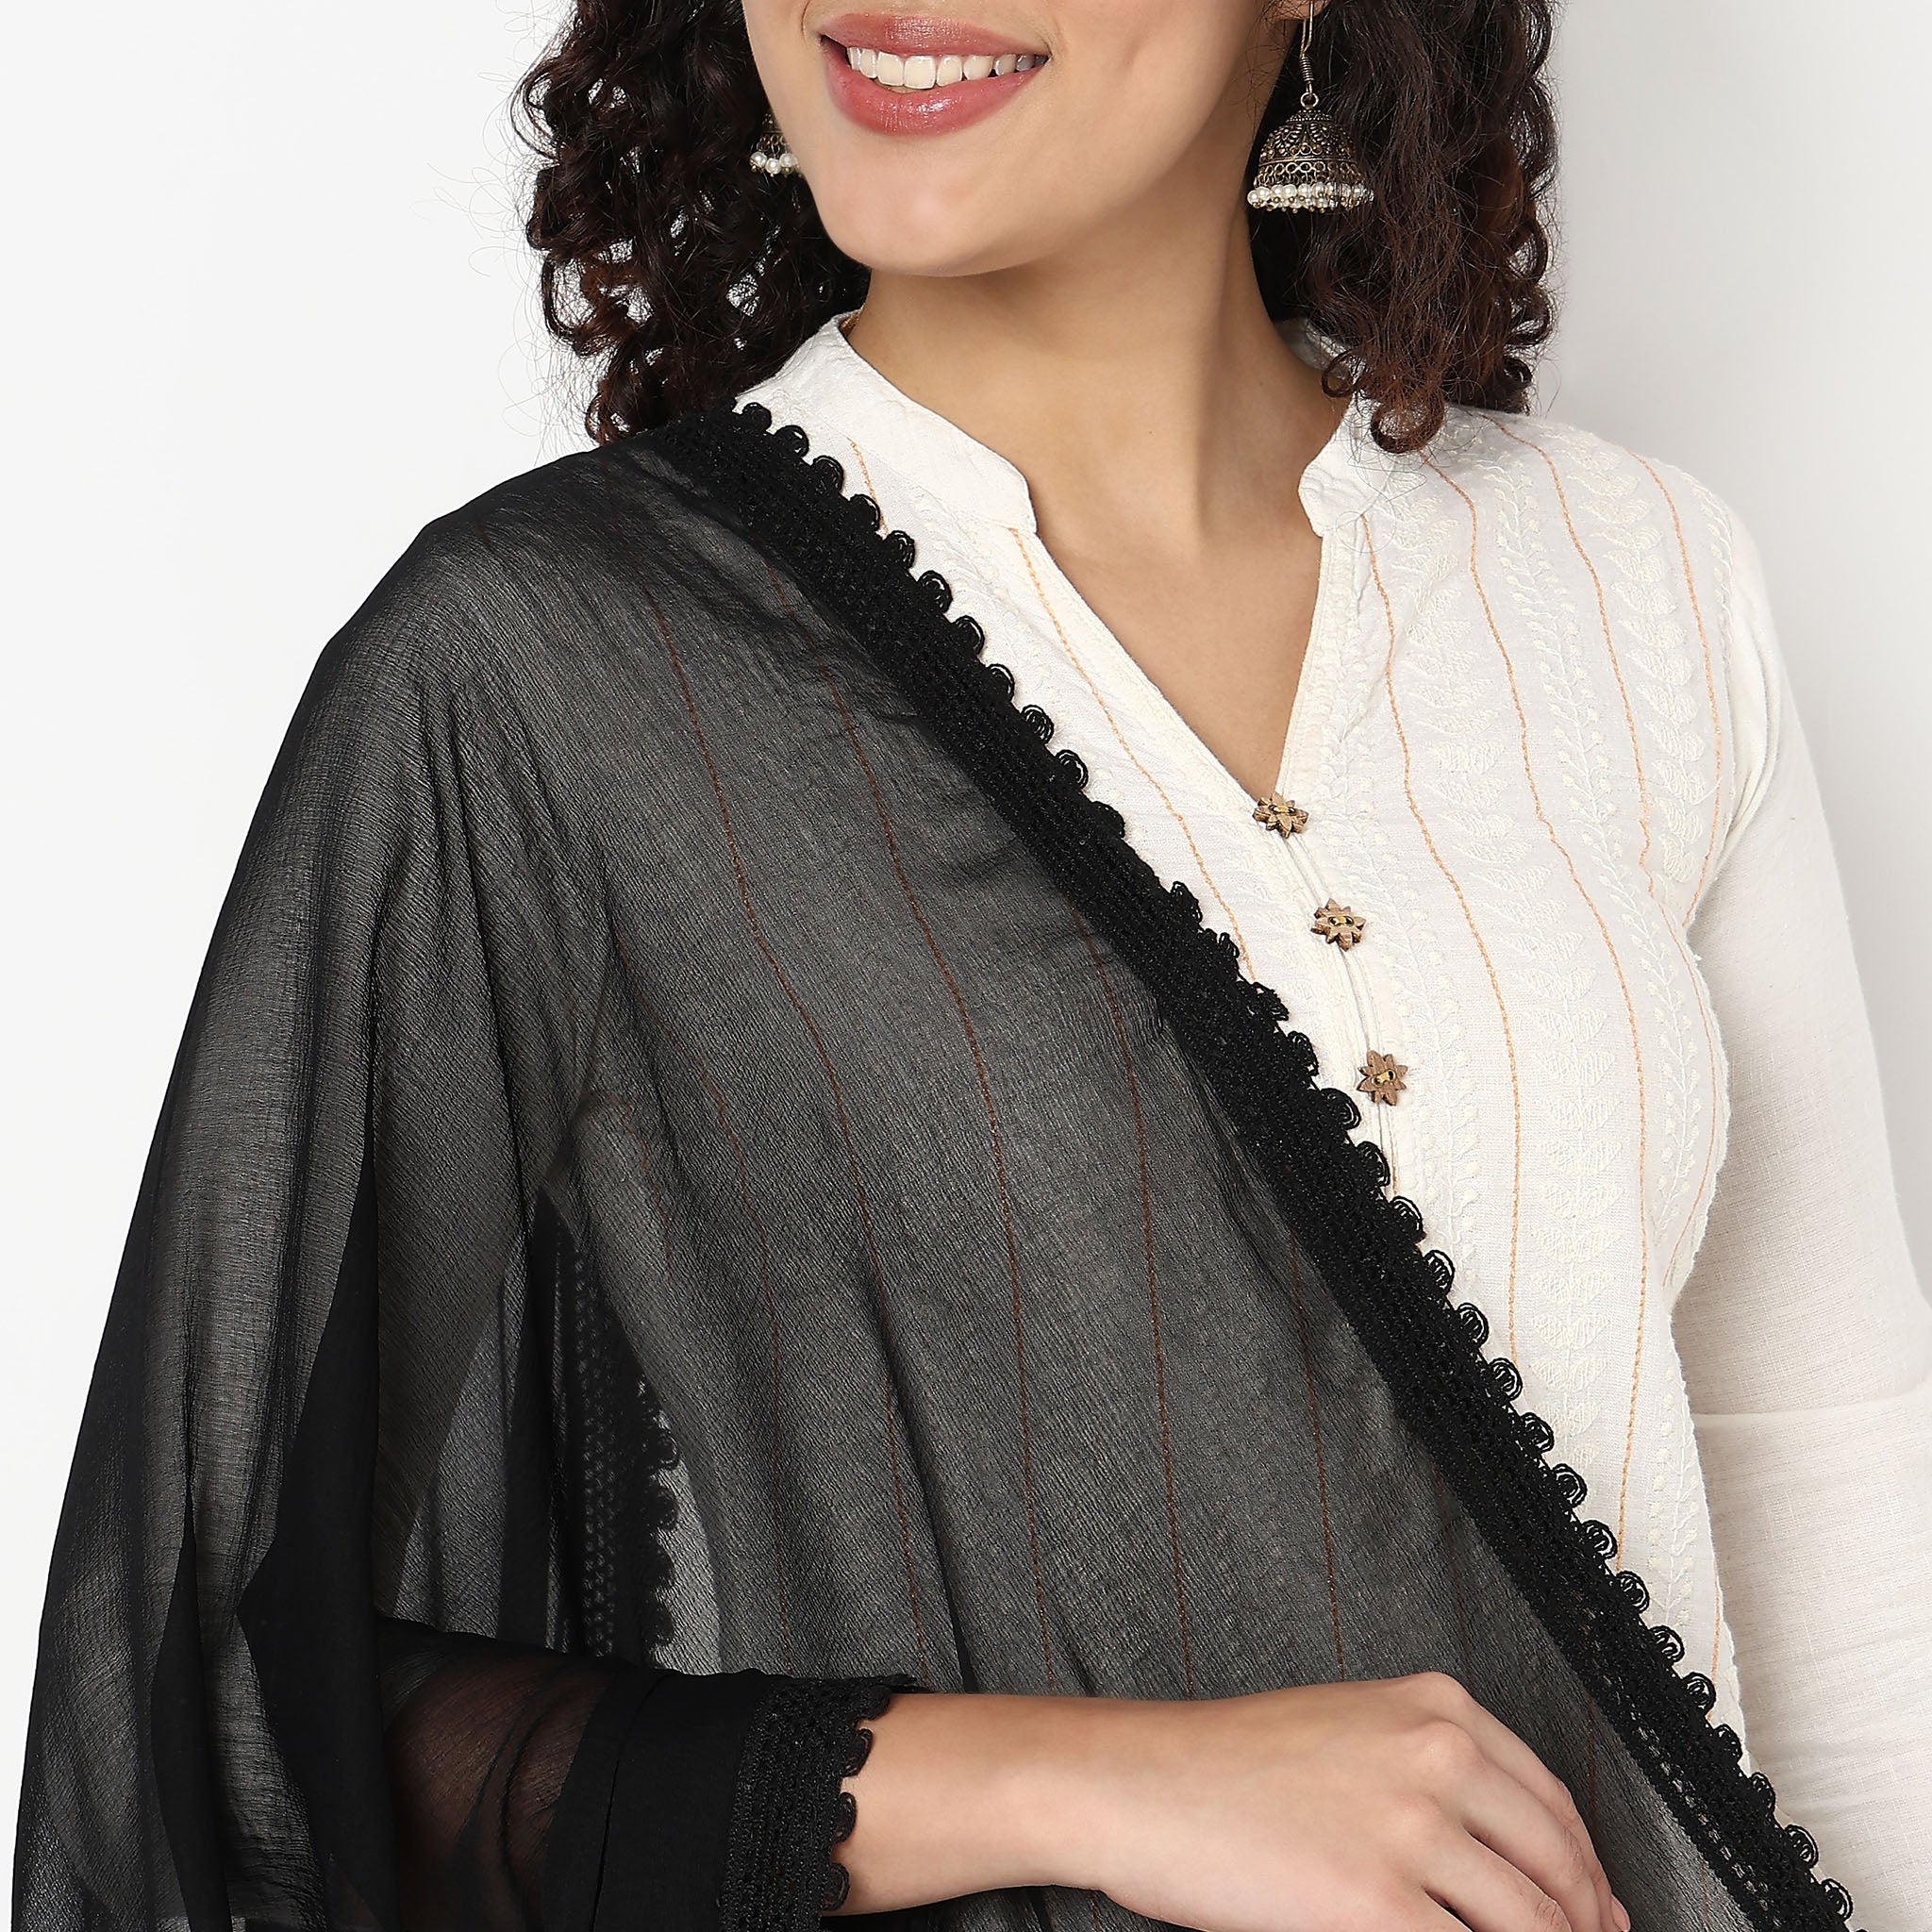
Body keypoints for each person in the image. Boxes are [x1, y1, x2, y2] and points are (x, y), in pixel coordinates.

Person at [14, 2, 1929, 1930]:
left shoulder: (1630, 577)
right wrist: (1069, 1782)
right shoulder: (552, 673)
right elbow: (204, 1706)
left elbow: (1837, 1581)